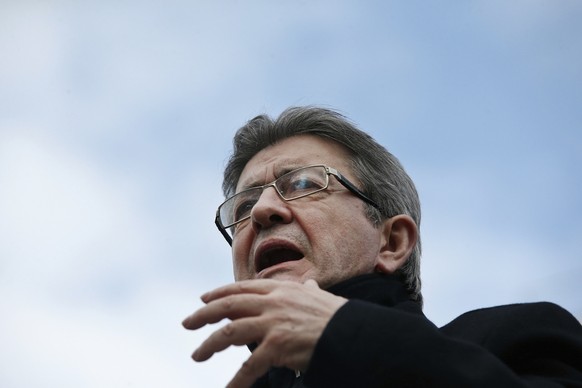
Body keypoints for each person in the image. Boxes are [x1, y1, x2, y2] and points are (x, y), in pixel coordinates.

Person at [182, 106, 582, 387]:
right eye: (245, 205)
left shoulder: (517, 341)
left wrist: (344, 338)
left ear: (392, 242)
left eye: (303, 183)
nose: (262, 211)